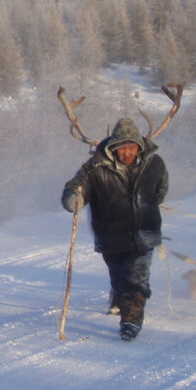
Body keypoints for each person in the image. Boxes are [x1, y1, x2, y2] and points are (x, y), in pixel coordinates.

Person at [61, 117, 168, 341]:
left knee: (135, 276)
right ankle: (126, 302)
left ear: (139, 147)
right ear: (113, 148)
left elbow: (160, 191)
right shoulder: (95, 167)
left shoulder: (154, 164)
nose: (127, 153)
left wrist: (144, 208)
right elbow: (77, 186)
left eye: (131, 148)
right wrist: (74, 198)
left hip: (144, 233)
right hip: (111, 236)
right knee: (120, 279)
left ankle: (131, 322)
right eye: (122, 148)